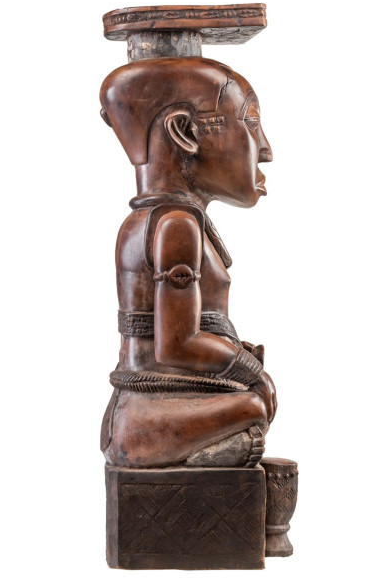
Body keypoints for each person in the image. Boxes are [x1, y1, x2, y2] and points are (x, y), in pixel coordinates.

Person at [99, 57, 277, 468]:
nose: (266, 150)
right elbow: (177, 343)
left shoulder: (161, 219)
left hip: (138, 409)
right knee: (255, 405)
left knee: (251, 402)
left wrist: (234, 350)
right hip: (145, 415)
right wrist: (250, 371)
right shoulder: (175, 225)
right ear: (184, 132)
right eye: (251, 124)